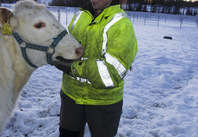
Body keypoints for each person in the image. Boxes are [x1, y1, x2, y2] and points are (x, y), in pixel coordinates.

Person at [55, 0, 138, 137]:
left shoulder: (122, 25)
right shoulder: (80, 14)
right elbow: (69, 44)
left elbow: (112, 73)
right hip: (71, 96)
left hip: (103, 102)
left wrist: (73, 68)